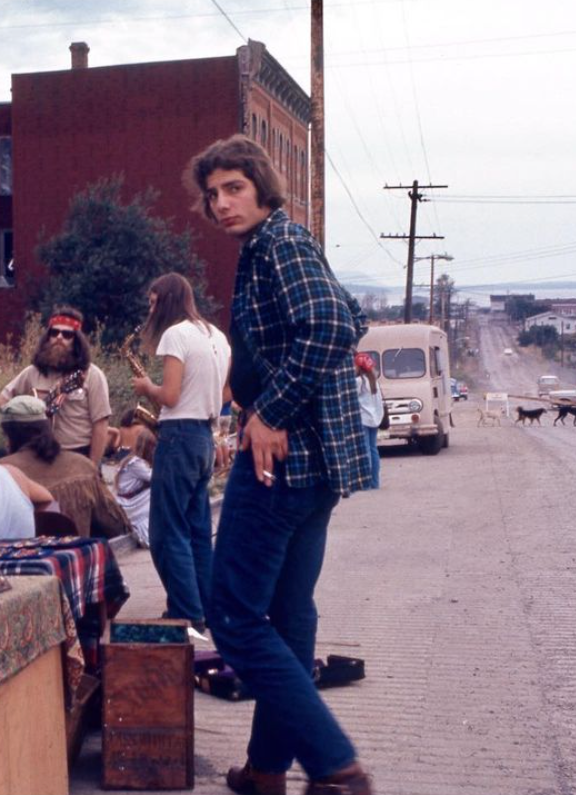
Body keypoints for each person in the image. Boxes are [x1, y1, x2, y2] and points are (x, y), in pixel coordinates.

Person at [184, 135, 374, 795]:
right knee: (290, 616)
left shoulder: (280, 244)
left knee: (234, 619)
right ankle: (267, 768)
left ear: (263, 187)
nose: (221, 203)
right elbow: (350, 312)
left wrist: (271, 412)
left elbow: (331, 327)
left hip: (282, 464)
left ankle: (335, 765)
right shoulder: (278, 246)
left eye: (234, 187)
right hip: (316, 469)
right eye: (212, 194)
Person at [131, 272, 231, 633]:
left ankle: (185, 612)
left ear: (167, 300)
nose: (150, 310)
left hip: (179, 436)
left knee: (167, 532)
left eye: (153, 302)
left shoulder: (175, 334)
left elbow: (170, 396)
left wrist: (147, 387)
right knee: (198, 531)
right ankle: (207, 609)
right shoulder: (216, 335)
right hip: (204, 436)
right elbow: (227, 393)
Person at [0, 395, 129, 539]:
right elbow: (117, 526)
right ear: (47, 427)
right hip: (74, 551)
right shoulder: (81, 466)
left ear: (9, 435)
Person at [0, 307, 112, 465]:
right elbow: (3, 399)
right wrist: (16, 425)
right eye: (54, 332)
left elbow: (100, 424)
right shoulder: (33, 372)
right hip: (38, 454)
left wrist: (93, 465)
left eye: (67, 335)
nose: (59, 337)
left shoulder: (92, 375)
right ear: (47, 337)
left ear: (77, 341)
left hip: (77, 455)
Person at [114, 427, 156, 547]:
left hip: (129, 501)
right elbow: (155, 478)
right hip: (128, 504)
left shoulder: (133, 460)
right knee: (154, 492)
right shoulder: (136, 463)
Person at [355, 352, 384, 490]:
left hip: (363, 418)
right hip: (375, 418)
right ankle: (375, 482)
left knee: (364, 450)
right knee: (373, 449)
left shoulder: (359, 381)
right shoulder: (373, 380)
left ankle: (365, 483)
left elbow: (351, 398)